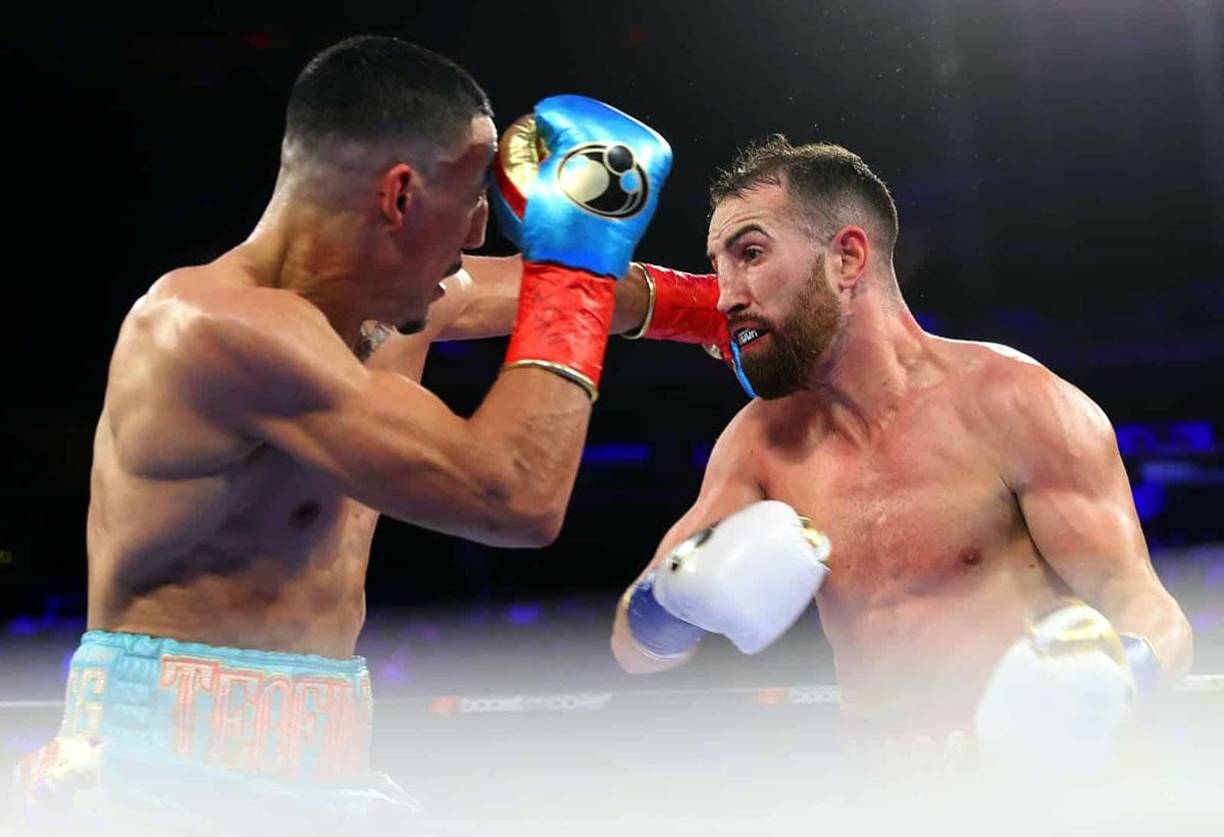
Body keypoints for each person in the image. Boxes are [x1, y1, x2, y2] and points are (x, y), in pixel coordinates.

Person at [11, 35, 673, 831]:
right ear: (400, 196)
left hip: (320, 766)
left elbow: (599, 295)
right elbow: (515, 493)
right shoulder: (211, 327)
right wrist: (579, 258)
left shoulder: (384, 311)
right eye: (471, 199)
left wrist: (735, 313)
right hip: (162, 780)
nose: (478, 231)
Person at [606, 135, 1193, 763]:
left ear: (847, 258)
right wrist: (671, 606)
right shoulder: (761, 444)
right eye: (719, 265)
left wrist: (1108, 682)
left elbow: (1147, 608)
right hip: (878, 792)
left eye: (750, 253)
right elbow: (631, 648)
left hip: (1028, 783)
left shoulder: (1015, 404)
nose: (724, 296)